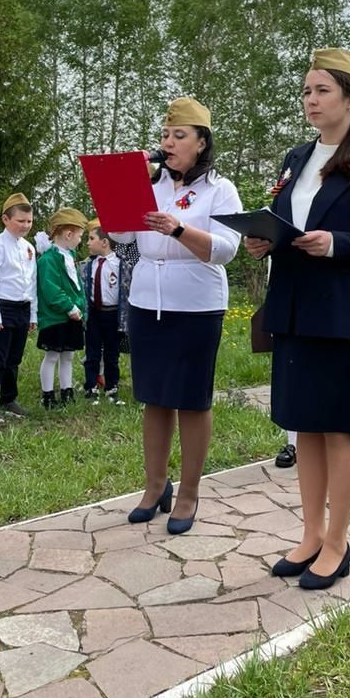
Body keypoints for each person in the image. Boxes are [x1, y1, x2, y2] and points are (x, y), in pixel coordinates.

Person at [245, 49, 350, 589]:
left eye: (322, 91)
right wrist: (263, 240)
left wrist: (338, 242)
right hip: (292, 304)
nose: (310, 101)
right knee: (305, 425)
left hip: (339, 311)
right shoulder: (296, 157)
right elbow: (286, 220)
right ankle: (311, 533)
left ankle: (338, 543)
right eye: (306, 91)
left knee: (338, 428)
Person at [112, 97, 242, 533]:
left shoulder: (219, 189)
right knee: (154, 396)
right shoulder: (151, 184)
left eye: (179, 135)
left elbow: (226, 249)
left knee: (191, 398)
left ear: (201, 143)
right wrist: (120, 181)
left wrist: (179, 229)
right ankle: (154, 487)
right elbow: (120, 233)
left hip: (198, 303)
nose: (168, 142)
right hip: (148, 300)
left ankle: (188, 492)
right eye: (165, 134)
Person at [0, 193, 37, 423]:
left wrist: (32, 313)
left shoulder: (28, 247)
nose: (26, 225)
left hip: (22, 307)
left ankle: (8, 398)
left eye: (29, 221)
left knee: (14, 357)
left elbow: (31, 282)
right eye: (20, 221)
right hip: (3, 307)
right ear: (5, 219)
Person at [36, 208, 87, 409]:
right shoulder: (48, 259)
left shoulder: (70, 255)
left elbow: (77, 284)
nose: (80, 240)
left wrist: (80, 305)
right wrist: (69, 307)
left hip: (72, 315)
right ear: (68, 234)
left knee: (69, 355)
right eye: (80, 236)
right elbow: (51, 290)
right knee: (52, 355)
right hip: (56, 317)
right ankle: (47, 395)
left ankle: (67, 391)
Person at [82, 220, 125, 404]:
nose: (88, 243)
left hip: (112, 313)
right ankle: (91, 386)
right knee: (91, 351)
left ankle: (112, 387)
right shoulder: (87, 265)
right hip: (93, 313)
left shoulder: (120, 264)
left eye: (92, 238)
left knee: (111, 353)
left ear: (105, 242)